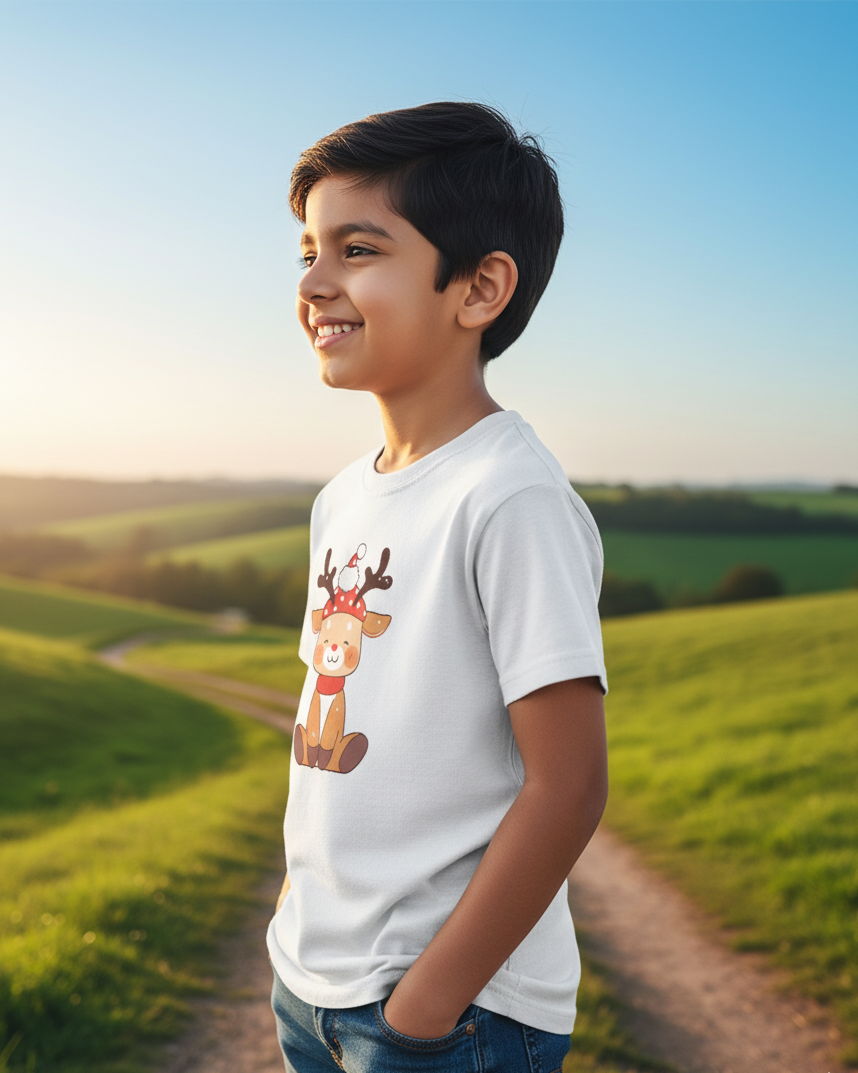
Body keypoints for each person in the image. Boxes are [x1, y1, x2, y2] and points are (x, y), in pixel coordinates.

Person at [268, 101, 609, 1073]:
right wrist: (295, 919)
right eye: (307, 251)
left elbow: (569, 785)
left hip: (443, 1017)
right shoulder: (342, 499)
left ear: (478, 288)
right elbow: (323, 734)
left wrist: (425, 1002)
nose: (315, 283)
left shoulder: (511, 495)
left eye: (358, 248)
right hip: (315, 980)